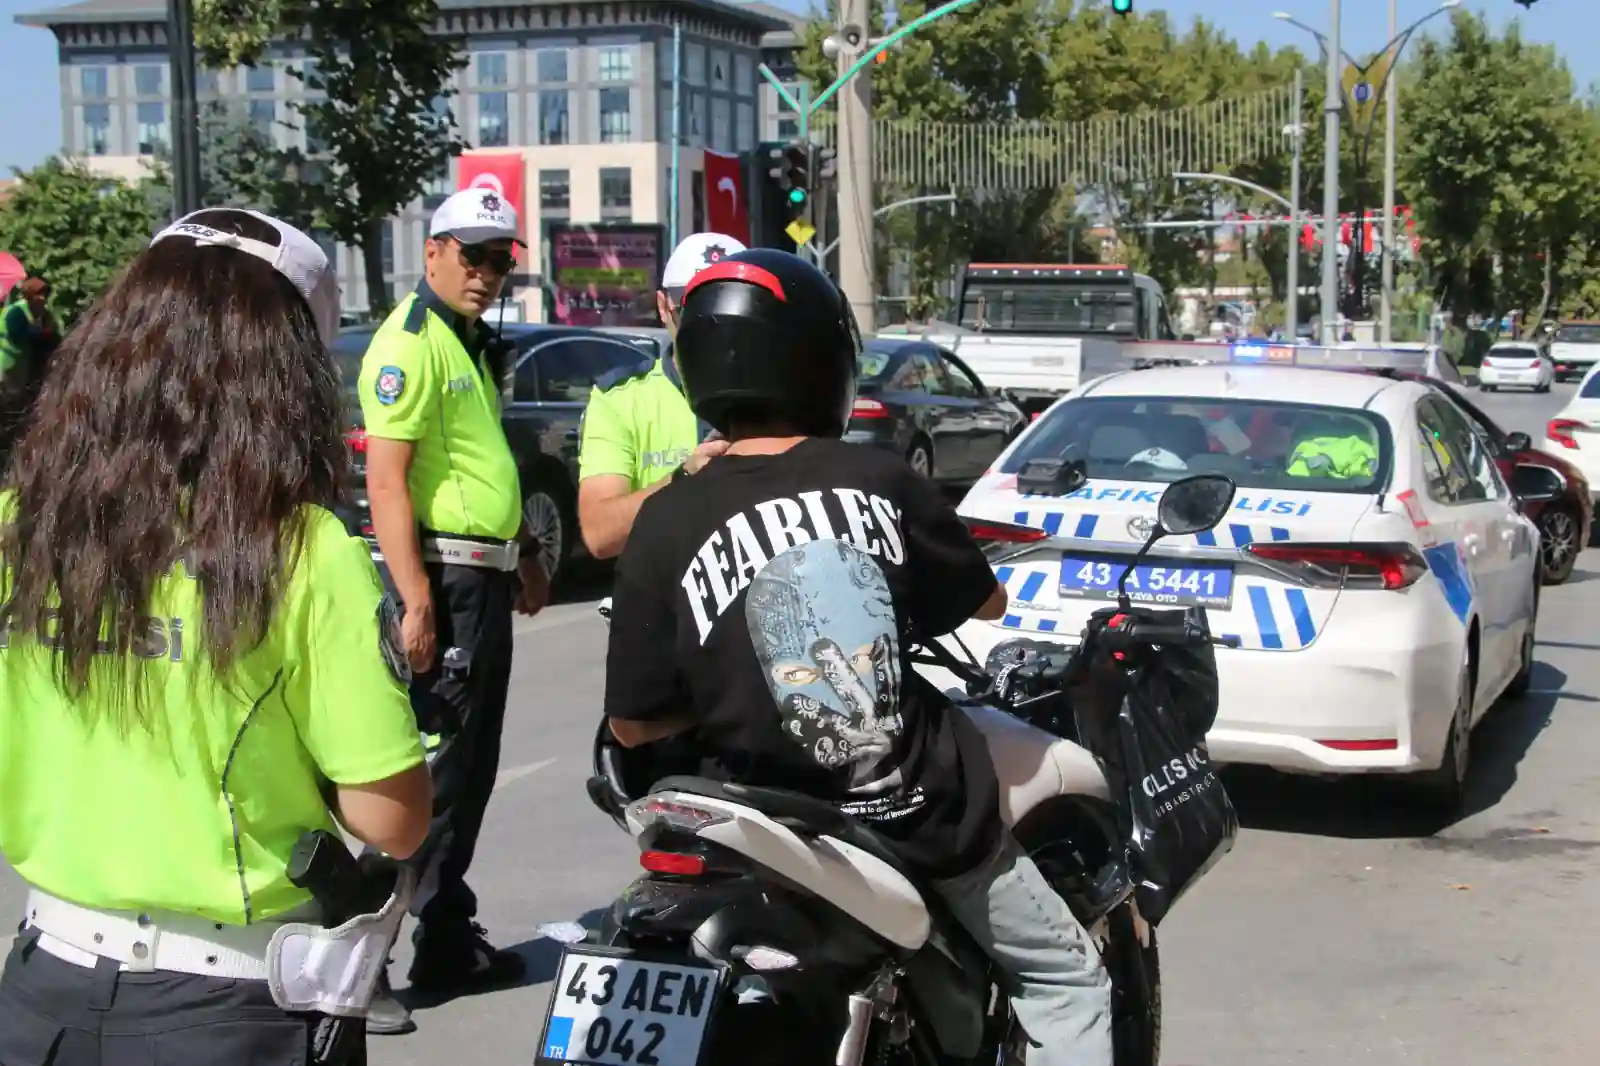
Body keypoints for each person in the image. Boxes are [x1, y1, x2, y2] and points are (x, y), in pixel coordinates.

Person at [602, 249, 1113, 1066]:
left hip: (746, 806)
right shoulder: (879, 478)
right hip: (911, 814)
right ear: (821, 357)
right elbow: (985, 603)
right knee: (1064, 980)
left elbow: (631, 722)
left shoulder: (663, 518)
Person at [0, 208, 433, 1066]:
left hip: (40, 989)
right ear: (288, 373)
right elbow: (393, 820)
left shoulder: (21, 525)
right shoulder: (304, 551)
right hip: (229, 1005)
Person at [359, 186, 551, 1035]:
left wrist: (527, 553)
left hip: (481, 575)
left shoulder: (464, 343)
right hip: (442, 577)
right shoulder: (409, 345)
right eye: (472, 255)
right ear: (431, 250)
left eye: (501, 258)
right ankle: (357, 959)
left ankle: (443, 937)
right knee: (433, 777)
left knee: (466, 774)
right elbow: (387, 481)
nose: (486, 272)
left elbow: (475, 468)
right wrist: (416, 599)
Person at [576, 231, 747, 559]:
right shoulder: (621, 400)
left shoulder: (780, 389)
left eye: (728, 303)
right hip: (660, 602)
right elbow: (600, 535)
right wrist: (683, 479)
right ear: (663, 306)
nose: (711, 323)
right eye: (694, 306)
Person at [0, 276, 58, 418]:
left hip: (22, 364)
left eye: (44, 295)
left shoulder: (43, 313)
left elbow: (53, 333)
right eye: (39, 295)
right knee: (8, 400)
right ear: (29, 296)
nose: (42, 299)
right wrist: (40, 333)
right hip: (8, 363)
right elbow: (18, 335)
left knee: (18, 399)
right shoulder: (16, 312)